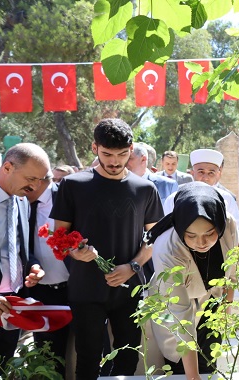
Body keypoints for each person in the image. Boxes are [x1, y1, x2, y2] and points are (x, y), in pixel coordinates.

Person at [50, 119, 164, 379]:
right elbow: (60, 236)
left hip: (129, 288)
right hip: (85, 288)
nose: (115, 162)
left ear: (131, 149)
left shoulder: (146, 189)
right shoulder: (73, 185)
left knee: (128, 359)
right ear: (94, 148)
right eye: (107, 154)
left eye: (122, 154)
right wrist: (75, 252)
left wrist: (133, 266)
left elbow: (154, 238)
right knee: (87, 360)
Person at [147, 182, 239, 378]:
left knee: (209, 358)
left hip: (211, 299)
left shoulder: (228, 223)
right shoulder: (167, 248)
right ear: (181, 228)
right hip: (170, 307)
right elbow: (181, 315)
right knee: (179, 362)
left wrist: (226, 311)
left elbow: (232, 271)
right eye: (191, 236)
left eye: (210, 234)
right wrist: (193, 378)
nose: (201, 243)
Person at [0, 143, 50, 372]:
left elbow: (21, 250)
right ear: (7, 167)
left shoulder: (22, 201)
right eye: (31, 178)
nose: (36, 186)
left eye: (41, 180)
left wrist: (34, 266)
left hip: (12, 306)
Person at [26, 177, 70, 378]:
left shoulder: (65, 197)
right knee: (48, 356)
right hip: (38, 293)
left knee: (84, 352)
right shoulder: (18, 201)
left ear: (35, 180)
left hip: (74, 289)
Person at [164, 149, 239, 243]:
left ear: (218, 174)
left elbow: (238, 232)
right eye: (201, 172)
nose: (205, 178)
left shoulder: (227, 198)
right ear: (192, 173)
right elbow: (167, 233)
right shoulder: (174, 198)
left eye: (211, 173)